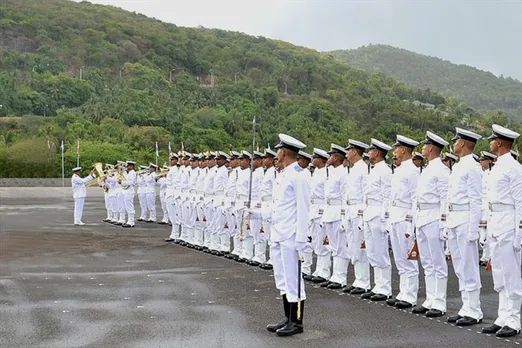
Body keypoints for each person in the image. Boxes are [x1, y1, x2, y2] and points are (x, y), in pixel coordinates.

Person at [266, 134, 310, 337]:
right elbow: (279, 207)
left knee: (294, 279)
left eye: (278, 150)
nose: (277, 154)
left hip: (291, 236)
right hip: (278, 233)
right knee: (282, 277)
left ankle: (297, 321)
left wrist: (301, 239)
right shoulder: (283, 175)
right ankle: (287, 316)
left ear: (284, 152)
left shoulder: (299, 175)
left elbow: (303, 209)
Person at [481, 124, 522, 338]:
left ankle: (514, 320)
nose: (490, 142)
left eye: (492, 139)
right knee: (499, 273)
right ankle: (503, 317)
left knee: (511, 274)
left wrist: (519, 234)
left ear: (499, 142)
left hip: (508, 222)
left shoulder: (514, 168)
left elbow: (520, 202)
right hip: (496, 221)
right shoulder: (497, 167)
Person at [446, 127, 483, 326]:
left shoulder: (473, 167)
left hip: (465, 219)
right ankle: (465, 307)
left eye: (456, 140)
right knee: (460, 267)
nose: (454, 143)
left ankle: (474, 310)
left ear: (462, 142)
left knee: (469, 266)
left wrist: (473, 230)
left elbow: (476, 201)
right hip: (454, 219)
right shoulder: (459, 165)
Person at [412, 131, 450, 317]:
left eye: (425, 145)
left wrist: (444, 223)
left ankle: (440, 302)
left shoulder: (442, 170)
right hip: (422, 216)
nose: (423, 148)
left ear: (433, 148)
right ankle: (430, 299)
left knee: (437, 261)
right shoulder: (426, 169)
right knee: (427, 261)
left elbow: (445, 198)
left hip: (434, 216)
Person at [387, 135, 420, 309]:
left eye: (397, 148)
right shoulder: (399, 169)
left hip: (405, 216)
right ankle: (402, 291)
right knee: (399, 257)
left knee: (408, 257)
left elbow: (415, 198)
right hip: (395, 215)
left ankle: (410, 295)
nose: (394, 151)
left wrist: (410, 223)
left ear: (404, 150)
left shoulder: (412, 171)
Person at [360, 139, 393, 302]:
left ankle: (385, 287)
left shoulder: (385, 171)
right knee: (372, 251)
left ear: (378, 153)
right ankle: (378, 285)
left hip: (378, 213)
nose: (369, 153)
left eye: (371, 151)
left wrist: (385, 219)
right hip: (369, 212)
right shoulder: (373, 170)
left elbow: (387, 196)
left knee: (381, 252)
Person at [343, 139, 371, 295]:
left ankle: (364, 281)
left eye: (349, 150)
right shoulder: (353, 169)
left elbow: (364, 193)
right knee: (353, 246)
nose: (347, 153)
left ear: (354, 151)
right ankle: (358, 279)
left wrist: (361, 213)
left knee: (360, 247)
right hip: (350, 209)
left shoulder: (363, 169)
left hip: (358, 210)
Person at [321, 144, 348, 289]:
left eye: (331, 155)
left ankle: (340, 277)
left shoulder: (343, 173)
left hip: (338, 211)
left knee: (340, 246)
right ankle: (335, 275)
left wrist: (344, 217)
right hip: (329, 211)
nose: (329, 158)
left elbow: (344, 196)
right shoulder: (332, 172)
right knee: (333, 246)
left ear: (336, 157)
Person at [309, 148, 331, 284]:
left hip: (321, 208)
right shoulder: (316, 172)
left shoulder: (326, 173)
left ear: (321, 159)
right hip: (313, 208)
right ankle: (318, 269)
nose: (313, 158)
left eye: (315, 157)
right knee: (316, 240)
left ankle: (325, 272)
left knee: (323, 242)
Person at [258, 148, 278, 269]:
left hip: (270, 204)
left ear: (271, 160)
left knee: (272, 234)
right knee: (266, 233)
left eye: (265, 158)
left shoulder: (273, 172)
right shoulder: (268, 172)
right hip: (264, 204)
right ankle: (270, 257)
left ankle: (273, 259)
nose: (263, 160)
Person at [296, 150, 314, 278]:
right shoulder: (299, 173)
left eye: (299, 159)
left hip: (308, 210)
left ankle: (306, 267)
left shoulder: (305, 174)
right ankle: (304, 267)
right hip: (301, 209)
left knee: (307, 240)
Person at [478, 151, 497, 267]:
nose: (481, 162)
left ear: (489, 161)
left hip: (491, 205)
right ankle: (485, 255)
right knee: (483, 232)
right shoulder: (483, 173)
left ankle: (490, 256)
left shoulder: (495, 173)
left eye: (483, 160)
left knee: (491, 232)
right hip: (482, 205)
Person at [120, 161, 137, 228]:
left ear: (132, 166)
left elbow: (131, 182)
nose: (127, 167)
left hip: (129, 191)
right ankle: (129, 221)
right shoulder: (128, 173)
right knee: (126, 207)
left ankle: (131, 222)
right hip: (126, 191)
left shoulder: (132, 173)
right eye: (127, 166)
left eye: (129, 166)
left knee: (129, 207)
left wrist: (122, 182)